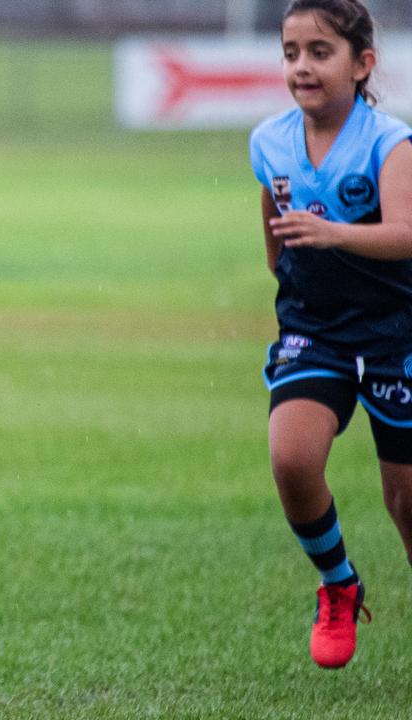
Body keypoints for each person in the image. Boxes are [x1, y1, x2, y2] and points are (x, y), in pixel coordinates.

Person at [250, 0, 412, 670]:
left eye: (320, 51)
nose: (302, 66)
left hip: (393, 334)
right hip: (314, 330)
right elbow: (274, 240)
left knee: (406, 499)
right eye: (291, 52)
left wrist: (335, 234)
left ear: (361, 63)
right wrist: (301, 265)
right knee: (291, 458)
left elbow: (406, 234)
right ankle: (339, 585)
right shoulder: (268, 141)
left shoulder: (389, 141)